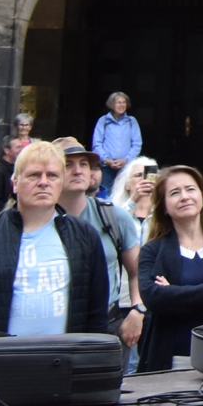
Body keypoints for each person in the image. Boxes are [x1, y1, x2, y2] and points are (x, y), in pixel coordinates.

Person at [0, 137, 109, 337]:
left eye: (52, 175)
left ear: (61, 182)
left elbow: (97, 314)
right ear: (15, 183)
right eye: (34, 175)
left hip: (63, 360)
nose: (44, 182)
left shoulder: (84, 236)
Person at [133, 165, 203, 373]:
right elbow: (153, 298)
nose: (184, 197)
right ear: (164, 206)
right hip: (171, 359)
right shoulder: (153, 250)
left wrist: (174, 294)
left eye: (190, 189)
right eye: (175, 193)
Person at [54, 136, 141, 357]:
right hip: (55, 327)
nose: (78, 171)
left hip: (106, 326)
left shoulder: (113, 216)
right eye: (68, 165)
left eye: (84, 164)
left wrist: (137, 310)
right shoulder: (39, 221)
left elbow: (137, 271)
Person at [91, 94, 140, 198]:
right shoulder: (103, 121)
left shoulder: (131, 121)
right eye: (119, 102)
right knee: (105, 194)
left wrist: (126, 160)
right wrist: (106, 160)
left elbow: (137, 144)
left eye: (124, 102)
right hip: (107, 167)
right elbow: (97, 144)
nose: (122, 105)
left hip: (125, 167)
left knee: (123, 195)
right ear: (112, 104)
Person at [0, 133, 27, 218]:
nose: (22, 150)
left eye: (22, 147)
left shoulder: (16, 169)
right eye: (18, 147)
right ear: (7, 150)